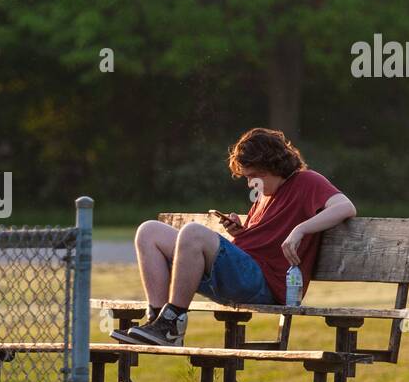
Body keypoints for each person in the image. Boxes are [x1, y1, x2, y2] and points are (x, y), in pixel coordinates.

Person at [117, 128, 357, 347]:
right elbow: (263, 240)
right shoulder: (265, 194)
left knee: (193, 233)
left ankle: (172, 325)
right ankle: (158, 321)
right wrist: (241, 231)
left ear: (274, 165)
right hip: (243, 274)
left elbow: (345, 207)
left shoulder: (307, 181)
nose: (250, 183)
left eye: (254, 175)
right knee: (148, 231)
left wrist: (301, 229)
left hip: (266, 284)